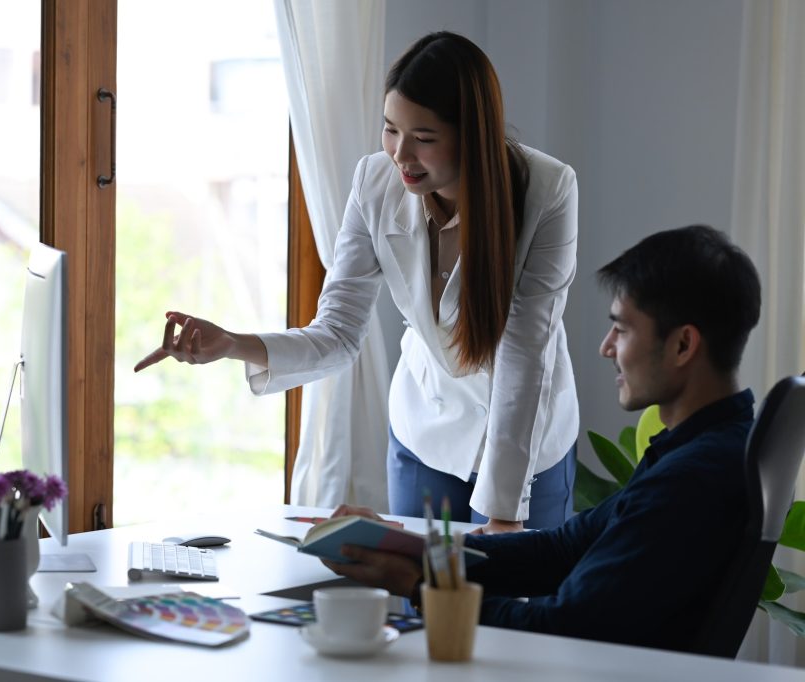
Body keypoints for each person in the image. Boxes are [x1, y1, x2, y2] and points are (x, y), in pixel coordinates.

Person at [135, 31, 579, 533]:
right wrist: (232, 344)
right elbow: (339, 334)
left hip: (527, 446)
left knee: (512, 604)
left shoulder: (547, 191)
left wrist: (503, 517)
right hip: (426, 433)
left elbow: (524, 355)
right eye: (391, 130)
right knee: (415, 599)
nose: (400, 154)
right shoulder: (374, 184)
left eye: (424, 138)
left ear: (471, 135)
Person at [323, 224, 763, 652]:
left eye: (622, 329)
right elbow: (564, 548)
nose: (606, 347)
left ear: (683, 345)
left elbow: (561, 627)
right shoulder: (713, 445)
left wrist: (417, 585)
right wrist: (417, 550)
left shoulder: (690, 481)